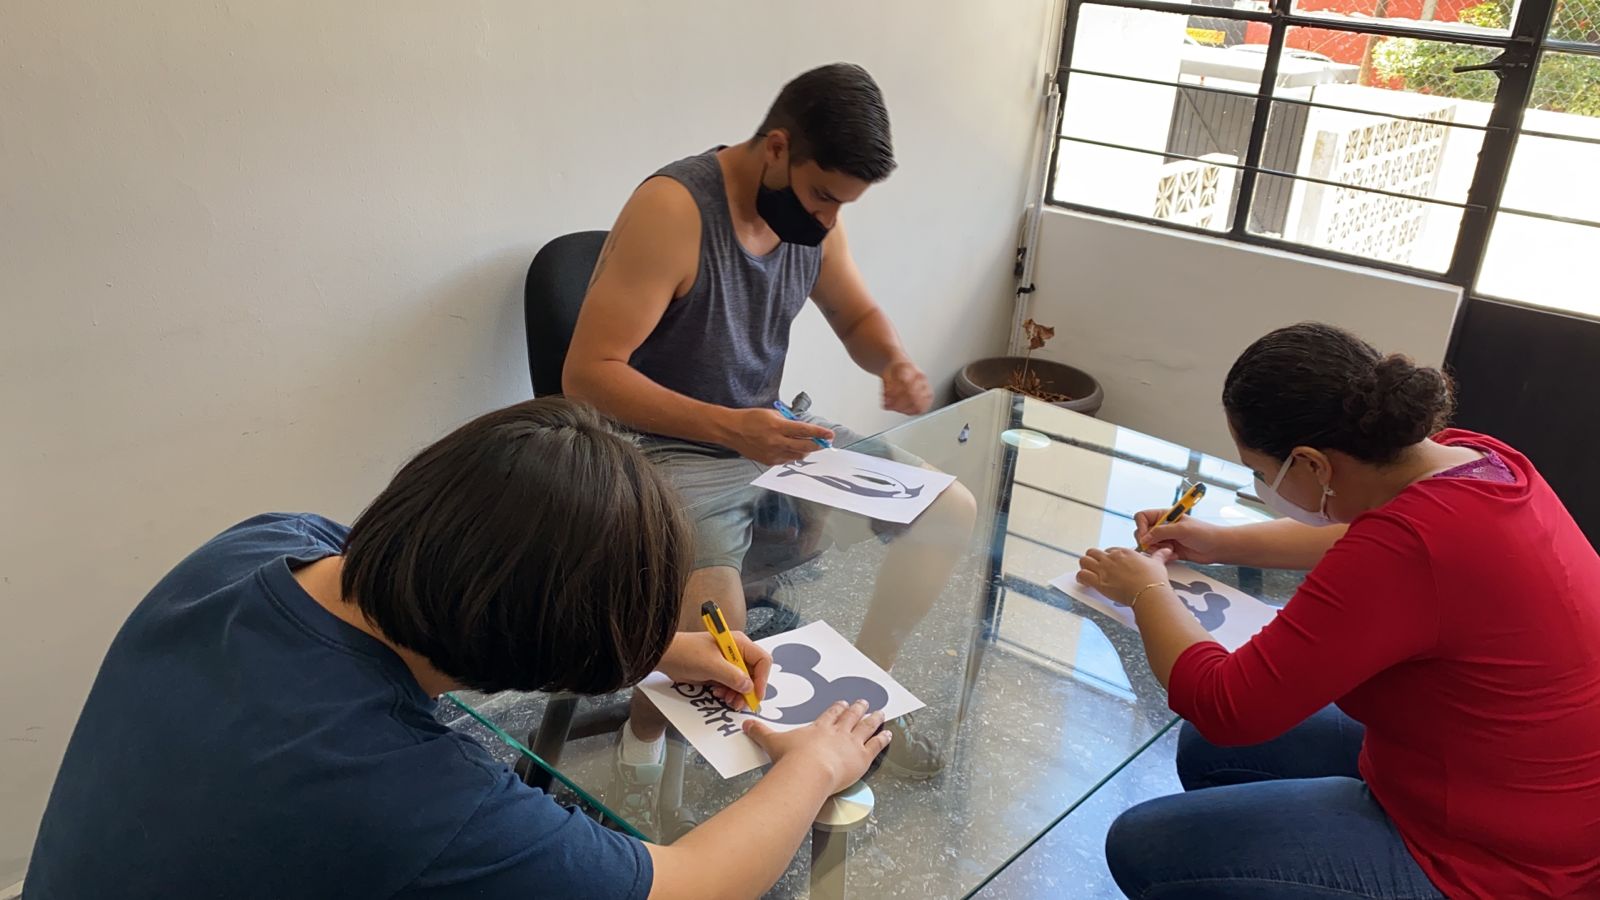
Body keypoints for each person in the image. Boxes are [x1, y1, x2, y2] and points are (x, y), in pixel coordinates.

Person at [25, 398, 893, 900]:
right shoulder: (418, 797)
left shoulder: (264, 546)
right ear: (537, 657)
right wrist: (813, 763)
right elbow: (693, 884)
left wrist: (663, 648)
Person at [563, 60, 976, 802]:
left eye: (843, 206)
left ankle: (862, 702)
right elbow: (589, 374)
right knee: (722, 618)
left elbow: (854, 316)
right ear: (778, 148)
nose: (825, 220)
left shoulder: (814, 216)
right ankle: (647, 739)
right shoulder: (675, 209)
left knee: (946, 510)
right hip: (657, 445)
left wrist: (895, 362)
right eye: (822, 196)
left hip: (767, 432)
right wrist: (732, 428)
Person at [1076, 323, 1600, 899]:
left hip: (1501, 861)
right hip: (1513, 783)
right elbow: (1364, 537)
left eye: (1259, 470)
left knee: (1146, 847)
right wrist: (1220, 542)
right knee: (1209, 748)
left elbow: (1226, 704)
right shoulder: (1474, 462)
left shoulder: (1407, 551)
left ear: (1312, 464)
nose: (1259, 483)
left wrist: (1145, 589)